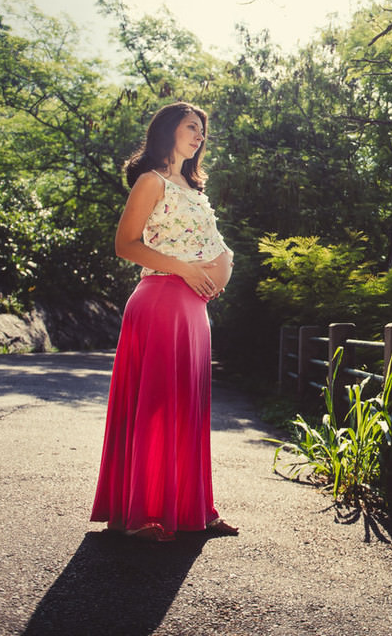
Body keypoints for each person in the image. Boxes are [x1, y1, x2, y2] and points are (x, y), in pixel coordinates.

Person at [90, 101, 239, 542]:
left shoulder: (194, 192)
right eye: (191, 127)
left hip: (195, 310)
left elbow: (219, 250)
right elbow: (125, 245)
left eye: (202, 130)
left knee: (189, 410)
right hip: (160, 302)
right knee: (157, 405)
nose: (199, 136)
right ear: (168, 130)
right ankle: (140, 516)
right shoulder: (151, 182)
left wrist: (219, 271)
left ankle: (196, 510)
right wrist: (186, 270)